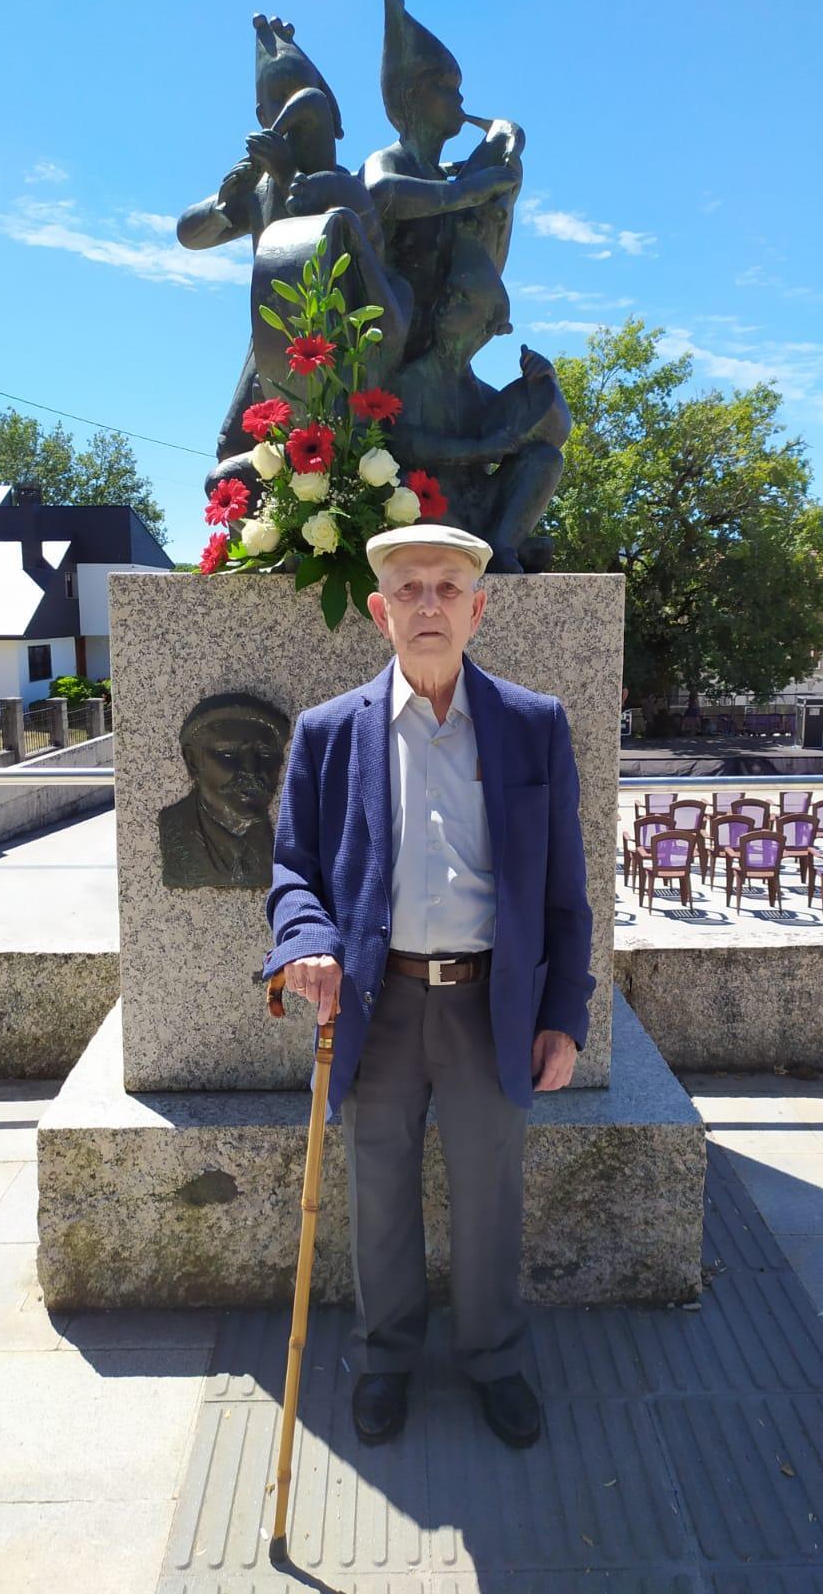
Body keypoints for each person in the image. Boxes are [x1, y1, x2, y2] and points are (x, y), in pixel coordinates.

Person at [261, 523, 595, 1449]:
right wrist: (309, 939)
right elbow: (293, 870)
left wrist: (563, 1014)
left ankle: (493, 1358)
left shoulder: (534, 725)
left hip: (495, 1002)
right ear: (379, 612)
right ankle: (387, 1358)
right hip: (378, 1002)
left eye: (449, 587)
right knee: (377, 1188)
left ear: (479, 608)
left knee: (490, 1191)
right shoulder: (328, 734)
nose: (429, 605)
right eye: (409, 589)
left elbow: (566, 886)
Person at [159, 693, 289, 889]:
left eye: (265, 753)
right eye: (229, 753)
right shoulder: (174, 830)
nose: (251, 770)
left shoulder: (292, 842)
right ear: (193, 761)